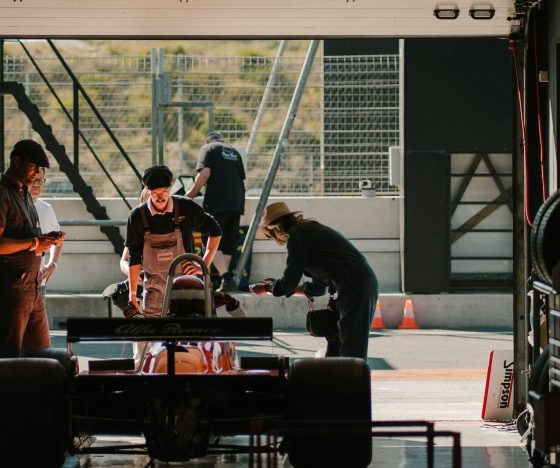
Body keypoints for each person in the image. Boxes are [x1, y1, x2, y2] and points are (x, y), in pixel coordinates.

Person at [248, 202, 378, 360]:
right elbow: (317, 288)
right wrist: (275, 285)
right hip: (357, 283)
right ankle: (346, 381)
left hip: (354, 284)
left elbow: (287, 283)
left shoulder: (298, 235)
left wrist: (267, 287)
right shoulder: (307, 231)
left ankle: (352, 382)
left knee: (351, 348)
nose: (272, 238)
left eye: (269, 234)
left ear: (276, 228)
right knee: (345, 344)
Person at [0, 139, 64, 360]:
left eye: (40, 170)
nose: (37, 173)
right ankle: (2, 395)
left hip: (33, 287)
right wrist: (35, 243)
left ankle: (36, 394)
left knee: (42, 355)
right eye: (33, 166)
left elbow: (26, 233)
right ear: (17, 161)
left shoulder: (24, 194)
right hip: (11, 288)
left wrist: (47, 239)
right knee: (8, 355)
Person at [125, 165, 222, 317]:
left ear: (170, 187)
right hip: (154, 287)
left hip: (185, 284)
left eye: (164, 191)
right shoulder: (137, 216)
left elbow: (215, 229)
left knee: (189, 331)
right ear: (147, 190)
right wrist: (131, 294)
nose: (160, 197)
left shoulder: (185, 207)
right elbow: (134, 256)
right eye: (155, 193)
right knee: (155, 334)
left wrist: (203, 265)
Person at [185, 131, 246, 290]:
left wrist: (191, 194)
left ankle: (226, 277)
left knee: (210, 239)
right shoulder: (234, 152)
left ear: (207, 141)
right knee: (228, 242)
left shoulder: (208, 148)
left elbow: (204, 173)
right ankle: (224, 281)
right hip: (237, 202)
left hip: (217, 202)